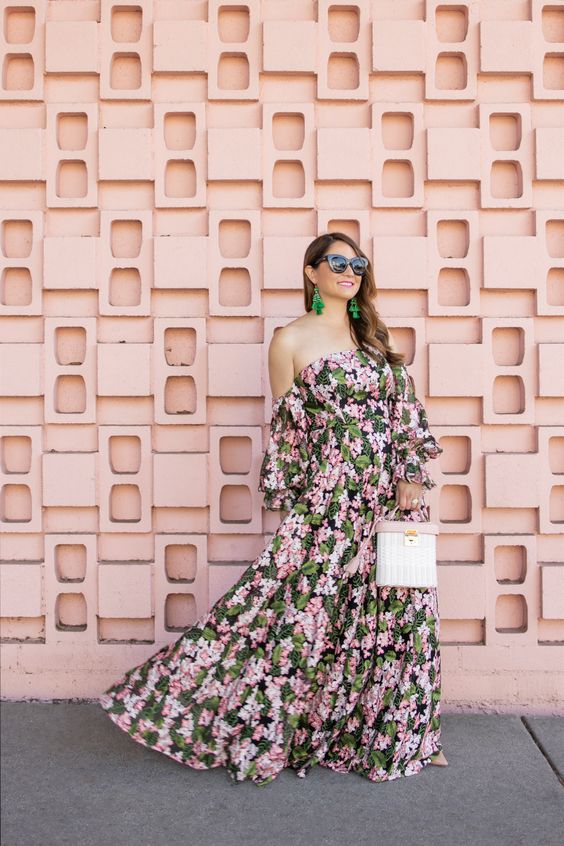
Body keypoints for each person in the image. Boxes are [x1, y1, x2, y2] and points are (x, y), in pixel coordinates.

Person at [99, 231, 448, 785]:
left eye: (357, 263)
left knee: (399, 611)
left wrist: (410, 474)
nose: (349, 270)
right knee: (295, 607)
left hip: (391, 499)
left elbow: (406, 412)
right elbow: (289, 434)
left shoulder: (375, 338)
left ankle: (403, 733)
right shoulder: (288, 341)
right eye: (337, 262)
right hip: (331, 498)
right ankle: (192, 703)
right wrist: (301, 505)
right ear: (311, 272)